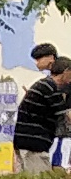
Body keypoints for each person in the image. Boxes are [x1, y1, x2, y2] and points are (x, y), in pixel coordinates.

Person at [16, 41, 66, 169]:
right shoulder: (48, 85)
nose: (36, 63)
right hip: (40, 140)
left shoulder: (54, 83)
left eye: (39, 58)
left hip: (53, 139)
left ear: (51, 58)